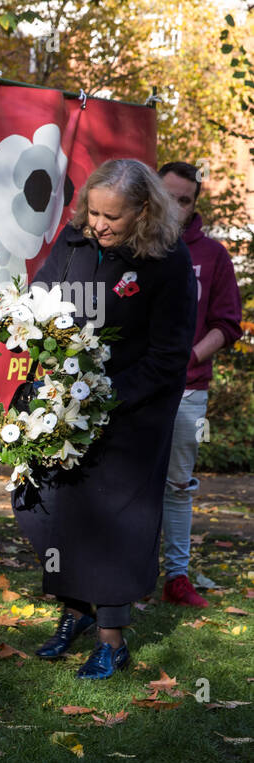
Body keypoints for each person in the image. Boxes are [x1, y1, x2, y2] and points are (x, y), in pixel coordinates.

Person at [12, 158, 197, 679]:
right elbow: (39, 302)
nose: (99, 225)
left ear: (143, 211)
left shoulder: (168, 259)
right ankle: (74, 612)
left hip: (132, 413)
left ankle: (112, 638)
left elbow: (168, 355)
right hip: (65, 406)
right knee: (56, 506)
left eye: (112, 217)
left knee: (116, 519)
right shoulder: (73, 242)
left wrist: (103, 397)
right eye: (93, 212)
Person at [156, 161, 243, 607]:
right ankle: (124, 577)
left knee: (176, 485)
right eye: (167, 195)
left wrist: (189, 357)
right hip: (132, 390)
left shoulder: (212, 255)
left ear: (195, 205)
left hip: (187, 389)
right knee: (128, 482)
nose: (174, 207)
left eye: (184, 200)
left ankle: (176, 577)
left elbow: (227, 324)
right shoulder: (133, 247)